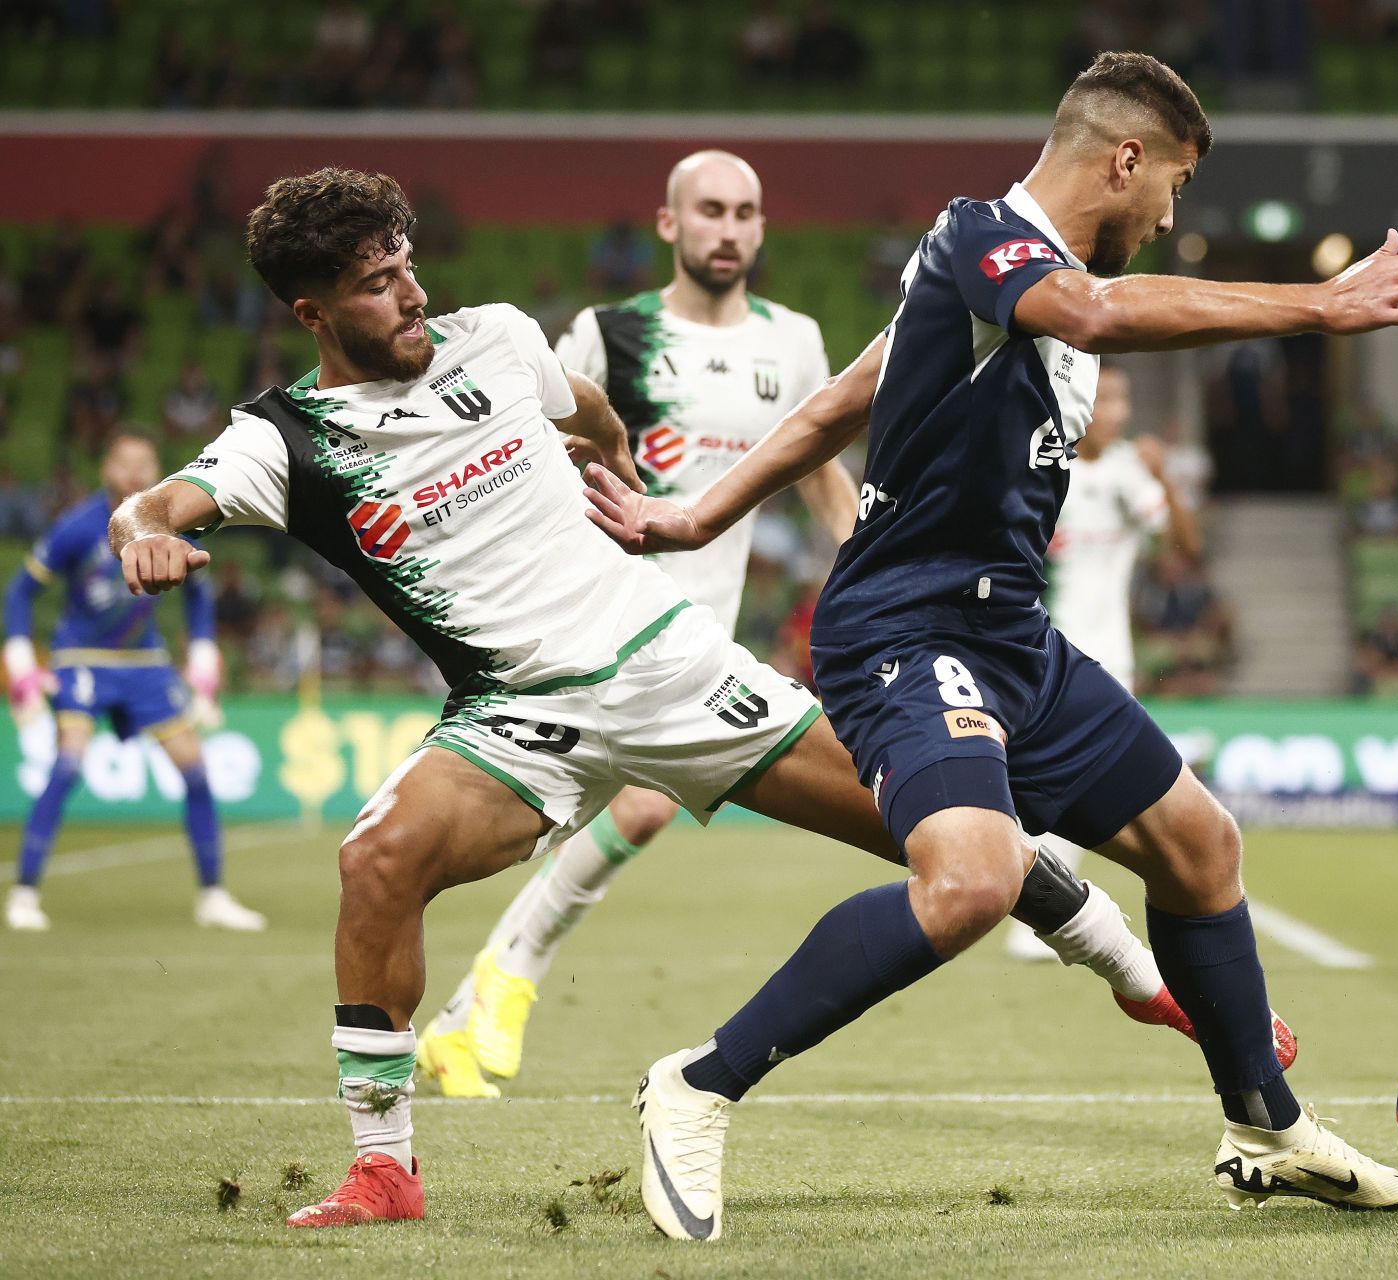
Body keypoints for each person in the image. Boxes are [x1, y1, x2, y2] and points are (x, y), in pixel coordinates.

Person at [109, 167, 1224, 1229]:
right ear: (311, 311)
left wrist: (611, 454)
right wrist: (150, 538)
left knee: (942, 834)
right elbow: (157, 503)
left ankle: (1131, 969)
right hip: (517, 711)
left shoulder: (490, 337)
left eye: (405, 266)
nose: (410, 295)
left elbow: (585, 402)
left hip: (665, 659)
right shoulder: (286, 440)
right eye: (374, 284)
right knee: (375, 860)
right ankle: (384, 1163)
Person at [586, 52, 1398, 1236]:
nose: (1171, 216)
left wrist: (696, 512)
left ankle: (1264, 1121)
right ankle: (699, 1081)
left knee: (1201, 843)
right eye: (1177, 185)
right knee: (972, 881)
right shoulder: (981, 239)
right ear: (1125, 160)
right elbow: (1087, 313)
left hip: (1007, 629)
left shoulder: (1018, 284)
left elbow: (844, 398)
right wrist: (1316, 304)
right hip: (904, 623)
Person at [417, 153, 1202, 1098]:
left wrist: (886, 587)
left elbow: (832, 466)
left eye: (746, 212)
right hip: (595, 624)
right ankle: (477, 1003)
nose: (729, 228)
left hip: (699, 641)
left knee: (938, 834)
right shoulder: (606, 334)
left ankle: (491, 994)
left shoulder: (790, 340)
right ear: (670, 226)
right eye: (709, 210)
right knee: (512, 829)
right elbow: (534, 450)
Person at [4, 434, 262, 933]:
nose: (134, 473)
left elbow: (198, 598)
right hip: (83, 658)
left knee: (195, 772)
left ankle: (212, 896)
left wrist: (203, 664)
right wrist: (21, 664)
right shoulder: (78, 527)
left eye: (145, 463)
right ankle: (24, 893)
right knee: (67, 763)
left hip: (145, 662)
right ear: (106, 469)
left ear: (156, 468)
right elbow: (20, 593)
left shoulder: (170, 527)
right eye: (124, 463)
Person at [1005, 362, 1201, 959]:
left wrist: (1163, 477)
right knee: (1035, 777)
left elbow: (1186, 548)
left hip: (1107, 655)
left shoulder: (1128, 475)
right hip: (1038, 645)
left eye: (1122, 400)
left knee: (1073, 780)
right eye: (1105, 399)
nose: (1115, 412)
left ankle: (1044, 910)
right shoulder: (1044, 465)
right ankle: (1029, 897)